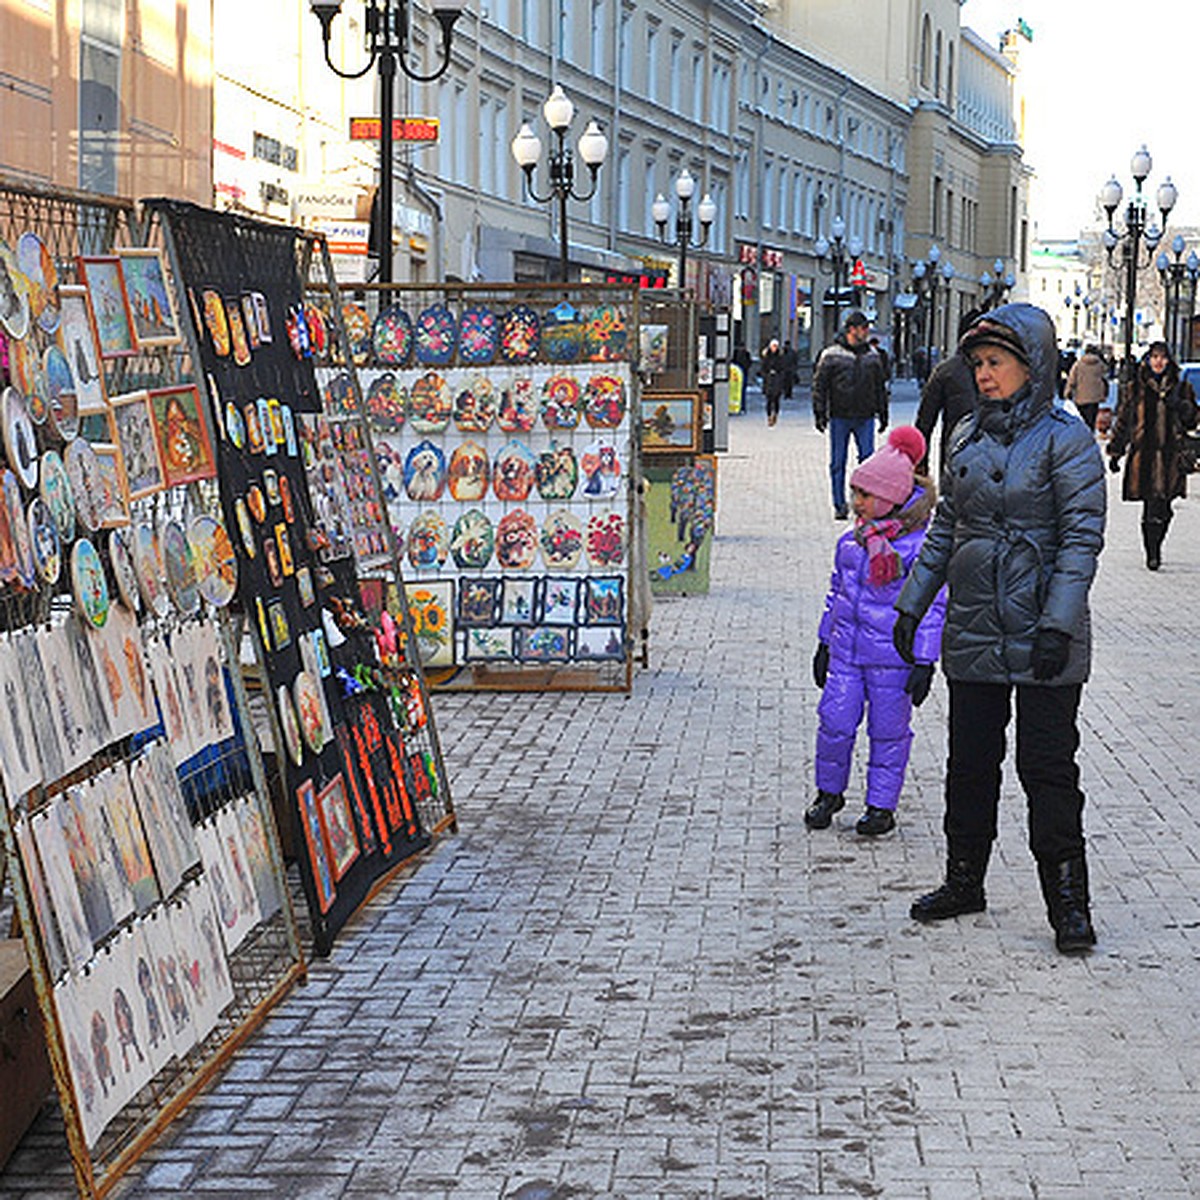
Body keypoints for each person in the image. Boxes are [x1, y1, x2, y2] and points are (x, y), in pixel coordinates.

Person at [893, 303, 1106, 956]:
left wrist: (1058, 625)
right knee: (971, 763)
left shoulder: (1067, 441)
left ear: (1032, 368)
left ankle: (1068, 902)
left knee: (1047, 768)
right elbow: (946, 530)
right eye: (978, 364)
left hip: (1045, 629)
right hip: (977, 623)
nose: (984, 376)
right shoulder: (967, 439)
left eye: (996, 364)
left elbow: (1080, 540)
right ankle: (964, 879)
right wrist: (911, 603)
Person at [807, 426, 945, 836]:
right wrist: (824, 641)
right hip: (847, 654)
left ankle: (881, 805)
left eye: (865, 496)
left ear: (890, 498)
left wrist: (924, 659)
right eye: (855, 495)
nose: (857, 504)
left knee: (889, 733)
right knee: (834, 722)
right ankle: (828, 792)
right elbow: (836, 596)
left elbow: (933, 606)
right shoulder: (851, 545)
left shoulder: (918, 548)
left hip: (893, 659)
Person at [1107, 340, 1199, 570]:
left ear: (1169, 361)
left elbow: (1193, 419)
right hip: (1144, 456)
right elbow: (1125, 420)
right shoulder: (1135, 388)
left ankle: (1157, 541)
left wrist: (1180, 406)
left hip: (1171, 457)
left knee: (1165, 507)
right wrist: (1116, 451)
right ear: (1148, 360)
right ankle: (1153, 552)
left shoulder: (1181, 386)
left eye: (1163, 357)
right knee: (1151, 506)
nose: (1159, 362)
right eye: (1155, 357)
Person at [813, 311, 888, 518]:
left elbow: (879, 387)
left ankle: (864, 503)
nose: (867, 332)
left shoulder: (873, 355)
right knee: (838, 462)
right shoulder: (831, 354)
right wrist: (819, 412)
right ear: (851, 330)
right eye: (863, 328)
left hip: (865, 416)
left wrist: (883, 412)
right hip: (840, 415)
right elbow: (820, 386)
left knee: (868, 462)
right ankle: (839, 505)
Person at [915, 308, 982, 479]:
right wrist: (920, 462)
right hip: (955, 455)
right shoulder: (947, 371)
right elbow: (925, 421)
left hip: (990, 459)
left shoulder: (1000, 370)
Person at [1063, 343, 1108, 432]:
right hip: (1095, 396)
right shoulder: (1100, 364)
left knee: (1083, 418)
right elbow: (1105, 377)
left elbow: (1071, 379)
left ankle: (1084, 433)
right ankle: (1091, 432)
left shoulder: (1078, 364)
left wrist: (1067, 392)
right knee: (1092, 417)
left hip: (1081, 396)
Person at [760, 337, 787, 426]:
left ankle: (775, 414)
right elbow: (763, 368)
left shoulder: (780, 356)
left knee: (776, 399)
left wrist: (780, 377)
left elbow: (783, 368)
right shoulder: (766, 356)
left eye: (775, 346)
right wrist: (765, 375)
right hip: (768, 380)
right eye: (773, 346)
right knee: (768, 399)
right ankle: (769, 416)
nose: (774, 348)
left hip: (777, 380)